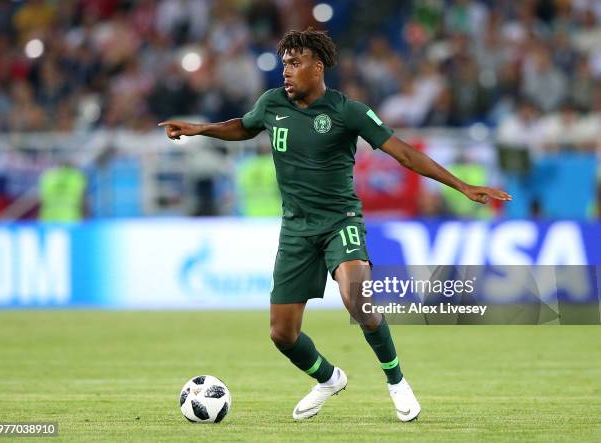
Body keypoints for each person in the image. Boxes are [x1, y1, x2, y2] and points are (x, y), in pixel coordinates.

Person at [159, 28, 511, 422]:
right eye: (284, 64)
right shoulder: (272, 103)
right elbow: (244, 125)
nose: (286, 72)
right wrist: (201, 129)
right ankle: (328, 378)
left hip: (340, 221)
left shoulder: (348, 111)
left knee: (357, 300)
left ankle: (396, 381)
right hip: (295, 229)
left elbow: (405, 154)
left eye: (295, 63)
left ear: (317, 66)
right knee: (282, 334)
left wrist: (462, 186)